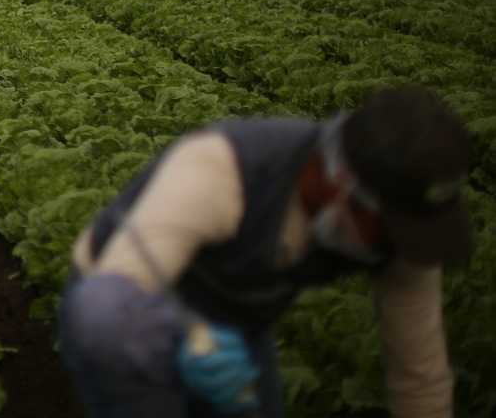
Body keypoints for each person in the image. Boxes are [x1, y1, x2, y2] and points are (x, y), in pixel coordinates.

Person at [59, 84, 472, 418]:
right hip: (125, 308)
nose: (394, 247)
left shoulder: (404, 230)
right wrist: (188, 334)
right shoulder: (221, 168)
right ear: (340, 182)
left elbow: (420, 378)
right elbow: (112, 299)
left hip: (235, 325)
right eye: (386, 229)